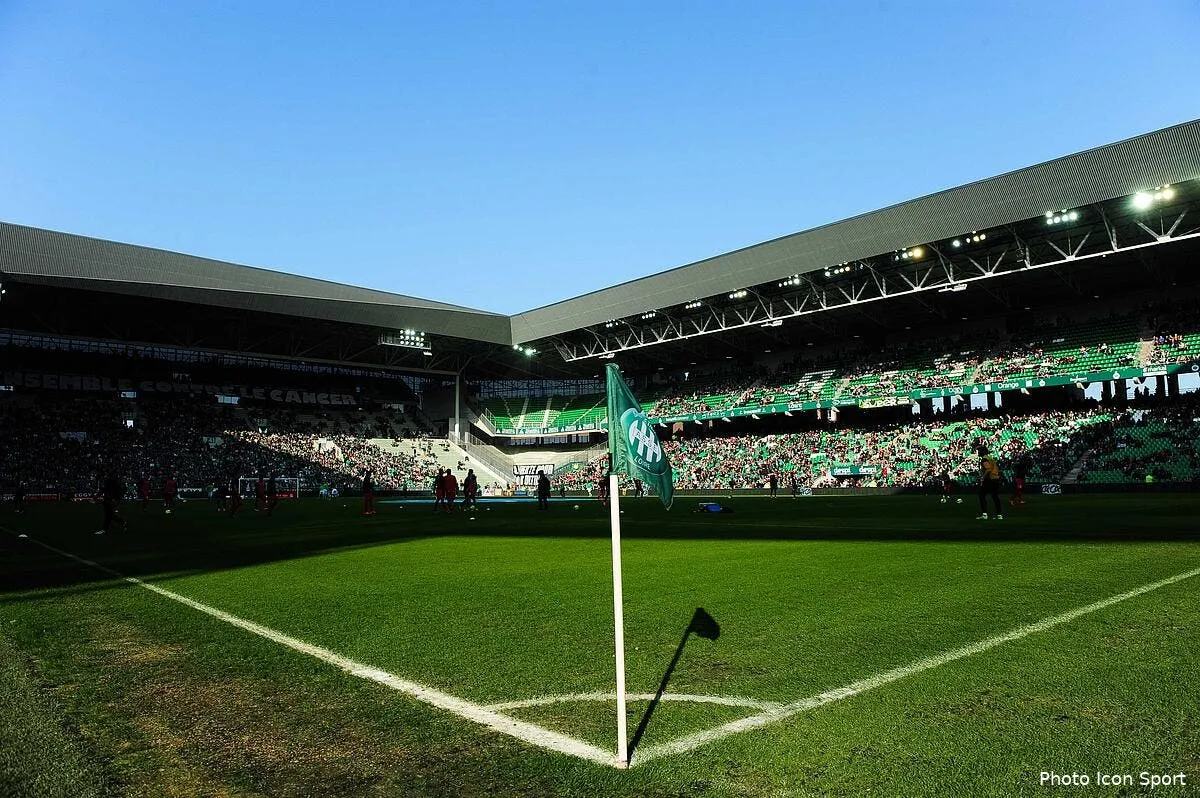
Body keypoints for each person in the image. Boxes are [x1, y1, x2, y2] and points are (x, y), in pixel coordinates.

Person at [976, 449, 1003, 520]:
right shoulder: (990, 458)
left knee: (981, 495)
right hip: (995, 478)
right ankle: (999, 515)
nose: (978, 453)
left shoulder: (984, 459)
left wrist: (983, 477)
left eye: (979, 451)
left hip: (989, 479)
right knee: (995, 497)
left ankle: (984, 514)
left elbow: (988, 469)